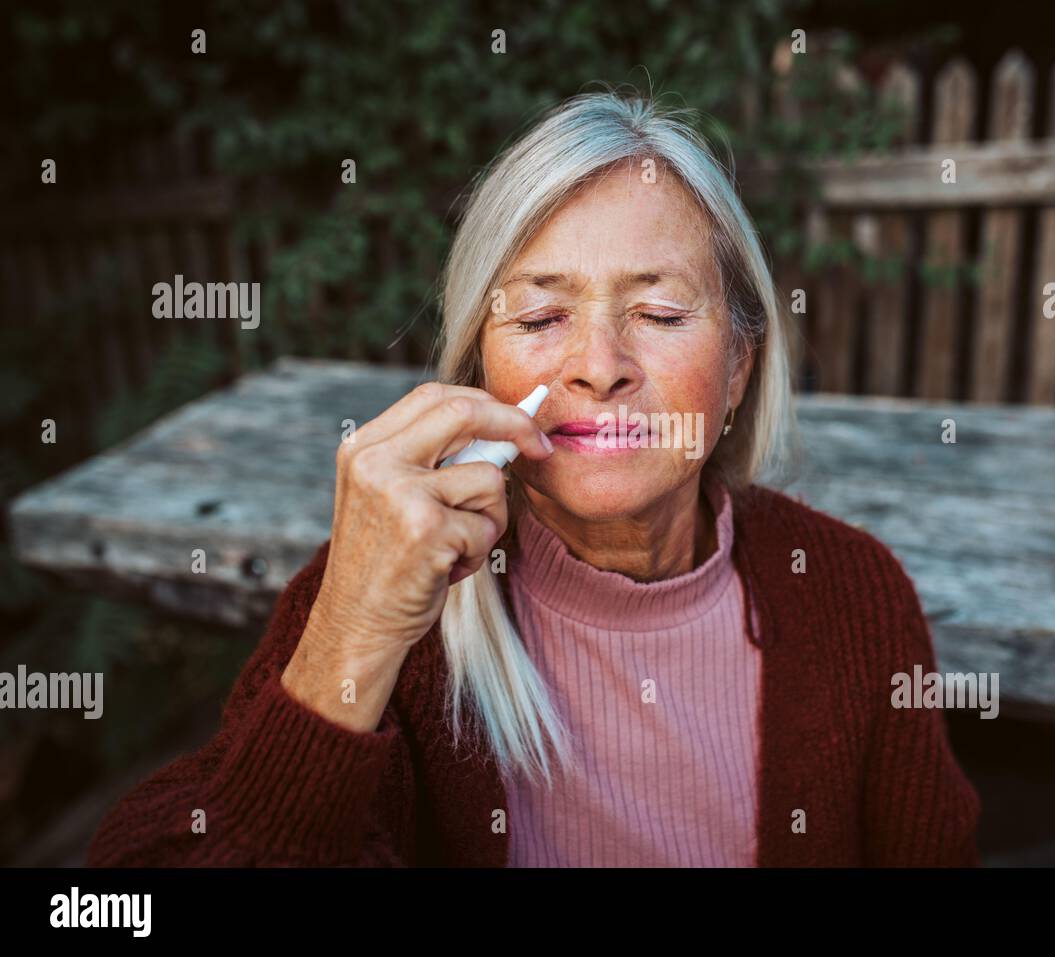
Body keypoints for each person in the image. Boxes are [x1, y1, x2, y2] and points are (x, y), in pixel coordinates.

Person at [88, 89, 980, 867]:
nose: (599, 365)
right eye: (543, 315)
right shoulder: (388, 604)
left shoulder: (853, 596)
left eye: (661, 312)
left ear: (741, 364)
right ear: (481, 371)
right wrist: (352, 637)